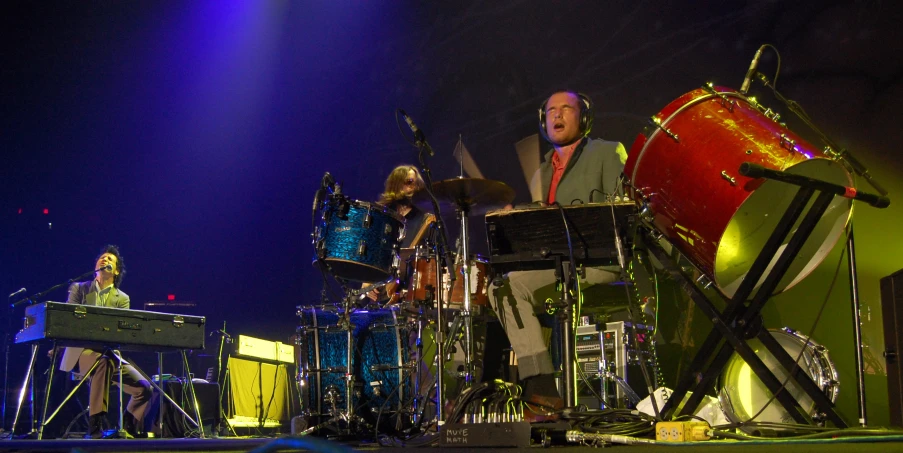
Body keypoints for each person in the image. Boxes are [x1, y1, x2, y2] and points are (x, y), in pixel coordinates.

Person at [489, 91, 628, 421]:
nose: (557, 114)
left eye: (566, 108)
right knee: (501, 288)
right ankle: (543, 389)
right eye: (551, 110)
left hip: (597, 261)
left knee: (514, 289)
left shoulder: (608, 152)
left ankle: (542, 395)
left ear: (584, 118)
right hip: (557, 264)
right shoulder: (541, 173)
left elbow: (623, 210)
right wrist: (514, 219)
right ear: (543, 121)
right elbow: (542, 226)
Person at [58, 245, 152, 438]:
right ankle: (95, 425)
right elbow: (69, 321)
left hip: (109, 354)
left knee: (145, 388)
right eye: (102, 258)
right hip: (81, 352)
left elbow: (119, 332)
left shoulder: (122, 298)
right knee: (104, 362)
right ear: (95, 266)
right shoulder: (80, 288)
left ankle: (128, 425)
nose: (105, 260)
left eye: (110, 259)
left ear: (116, 271)